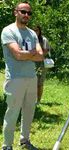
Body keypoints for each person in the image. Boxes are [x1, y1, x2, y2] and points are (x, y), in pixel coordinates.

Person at [1, 2, 44, 150]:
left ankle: (25, 141)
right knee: (12, 112)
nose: (26, 15)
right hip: (15, 79)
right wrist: (30, 53)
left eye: (29, 13)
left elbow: (41, 56)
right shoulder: (8, 31)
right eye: (23, 12)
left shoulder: (32, 33)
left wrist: (26, 54)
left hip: (31, 77)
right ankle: (7, 145)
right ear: (15, 12)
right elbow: (17, 55)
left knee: (29, 110)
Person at [33, 25, 51, 104]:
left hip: (41, 64)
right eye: (34, 30)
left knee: (40, 83)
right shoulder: (29, 39)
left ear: (39, 31)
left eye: (37, 30)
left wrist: (37, 56)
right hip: (32, 63)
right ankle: (32, 99)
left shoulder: (43, 39)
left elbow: (46, 51)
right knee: (32, 82)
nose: (35, 32)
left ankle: (38, 100)